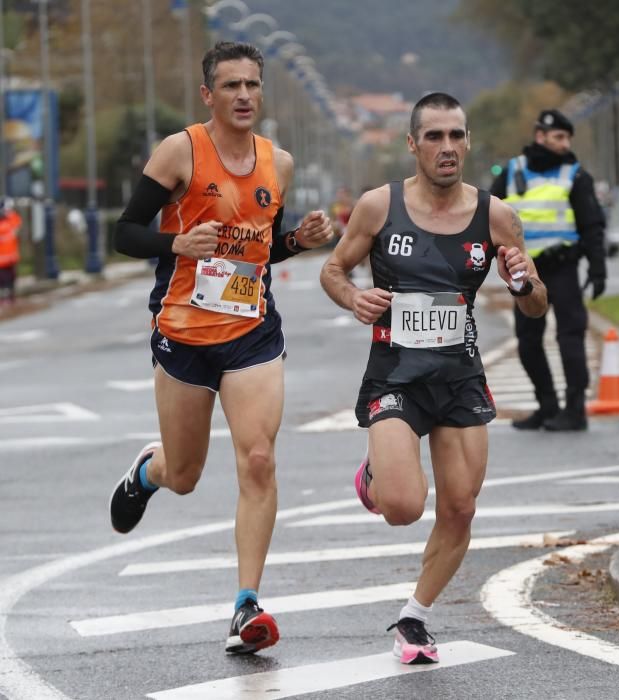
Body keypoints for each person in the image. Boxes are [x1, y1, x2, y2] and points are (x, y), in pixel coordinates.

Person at [108, 41, 333, 655]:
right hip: (183, 329)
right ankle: (148, 472)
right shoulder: (181, 150)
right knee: (185, 475)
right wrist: (175, 245)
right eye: (230, 85)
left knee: (258, 459)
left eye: (251, 85)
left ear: (262, 93)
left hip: (251, 330)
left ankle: (245, 605)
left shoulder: (276, 163)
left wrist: (299, 241)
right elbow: (124, 232)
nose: (242, 96)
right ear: (208, 95)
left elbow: (260, 249)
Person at [320, 92, 547, 664]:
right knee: (402, 506)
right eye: (434, 137)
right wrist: (354, 297)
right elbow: (333, 268)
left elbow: (535, 304)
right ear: (413, 144)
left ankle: (414, 619)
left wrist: (523, 283)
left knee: (461, 507)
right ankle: (374, 474)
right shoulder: (378, 206)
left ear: (468, 142)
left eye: (456, 136)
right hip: (396, 375)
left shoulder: (496, 216)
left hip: (459, 377)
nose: (447, 148)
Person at [490, 109, 608, 431]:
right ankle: (547, 405)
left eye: (567, 137)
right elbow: (488, 217)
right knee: (527, 341)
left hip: (563, 267)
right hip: (524, 271)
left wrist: (598, 269)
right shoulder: (512, 171)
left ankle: (574, 410)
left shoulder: (574, 174)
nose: (565, 143)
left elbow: (592, 224)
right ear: (540, 136)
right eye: (558, 137)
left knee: (570, 337)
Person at [0, 203, 22, 306]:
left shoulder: (9, 223)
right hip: (6, 259)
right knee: (7, 280)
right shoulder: (8, 224)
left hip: (8, 258)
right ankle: (7, 298)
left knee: (8, 279)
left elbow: (17, 221)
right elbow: (17, 221)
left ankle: (9, 298)